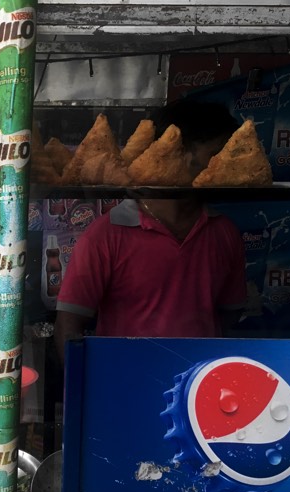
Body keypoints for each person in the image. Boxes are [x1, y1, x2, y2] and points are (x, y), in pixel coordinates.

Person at [54, 101, 247, 362]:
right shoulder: (106, 235)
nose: (226, 164)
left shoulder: (224, 232)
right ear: (178, 154)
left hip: (197, 385)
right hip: (126, 382)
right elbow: (69, 326)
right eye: (217, 153)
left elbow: (228, 314)